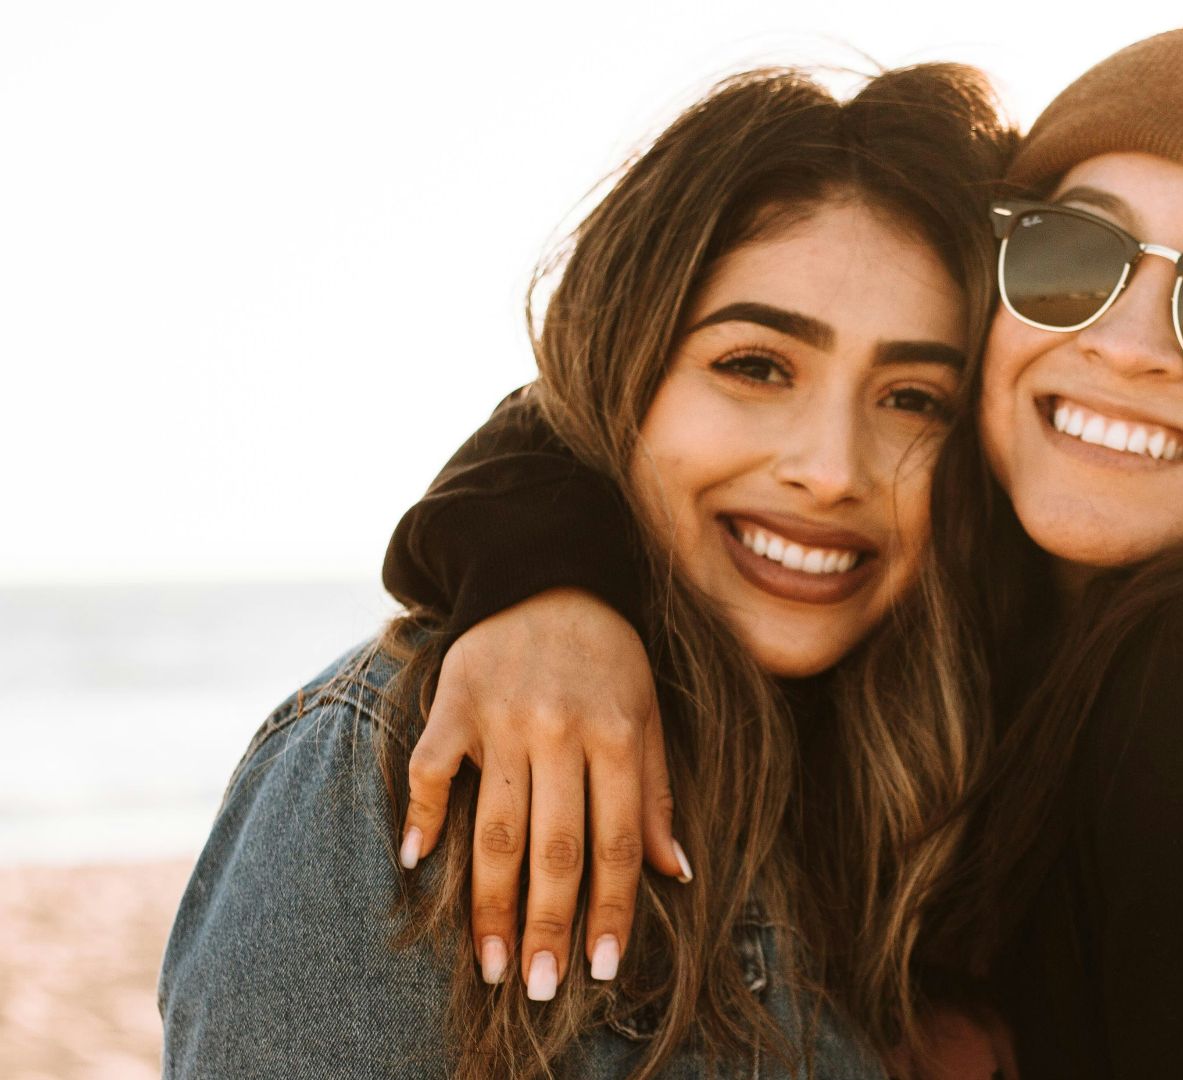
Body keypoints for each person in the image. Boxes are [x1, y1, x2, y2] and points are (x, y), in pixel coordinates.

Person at [379, 13, 1183, 1078]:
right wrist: (553, 582)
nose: (1129, 346)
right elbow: (620, 386)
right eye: (1074, 257)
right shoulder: (1007, 551)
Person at [158, 63, 1019, 1079]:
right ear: (621, 372)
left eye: (914, 399)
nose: (832, 471)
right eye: (754, 366)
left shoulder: (928, 791)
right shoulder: (410, 763)